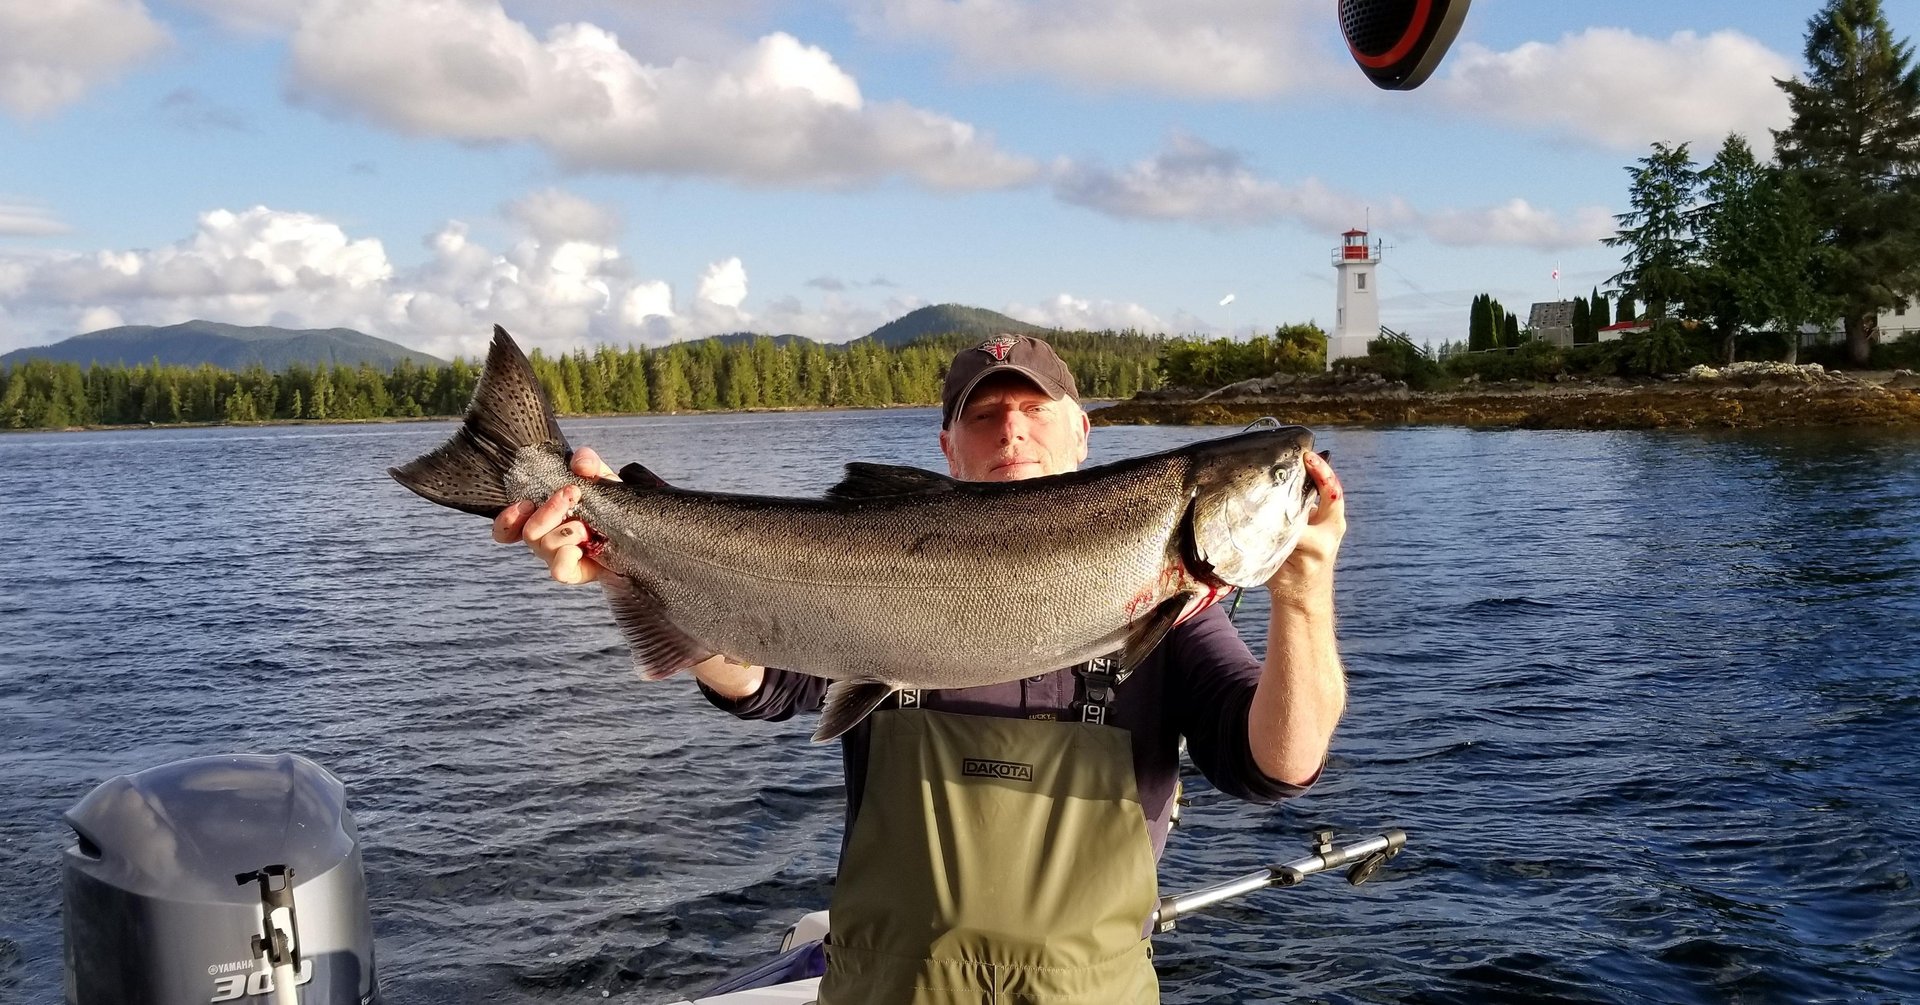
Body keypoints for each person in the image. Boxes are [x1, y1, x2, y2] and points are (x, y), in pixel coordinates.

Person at [492, 334, 1347, 1004]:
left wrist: (1304, 592)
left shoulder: (1179, 610)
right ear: (948, 445)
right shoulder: (894, 545)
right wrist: (629, 560)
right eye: (985, 414)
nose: (1010, 426)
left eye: (1034, 409)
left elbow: (1279, 764)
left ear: (1081, 432)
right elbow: (762, 679)